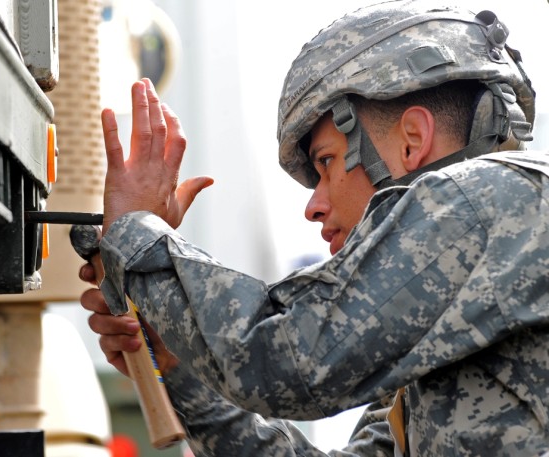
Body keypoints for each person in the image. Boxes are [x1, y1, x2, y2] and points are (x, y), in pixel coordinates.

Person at [79, 1, 549, 455]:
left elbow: (285, 357)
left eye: (327, 162)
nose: (314, 206)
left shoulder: (489, 198)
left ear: (413, 141)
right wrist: (178, 359)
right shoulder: (446, 316)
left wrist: (136, 234)